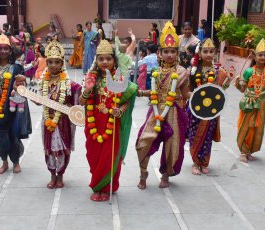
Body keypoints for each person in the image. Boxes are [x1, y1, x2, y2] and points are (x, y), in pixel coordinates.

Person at [80, 40, 137, 202]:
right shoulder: (91, 78)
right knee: (93, 156)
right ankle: (97, 185)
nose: (104, 62)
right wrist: (87, 91)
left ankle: (105, 188)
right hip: (93, 125)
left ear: (114, 60)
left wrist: (121, 110)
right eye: (101, 59)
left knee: (110, 156)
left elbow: (127, 99)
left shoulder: (119, 78)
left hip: (112, 124)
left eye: (108, 59)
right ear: (96, 61)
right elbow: (81, 102)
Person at [135, 21, 190, 189]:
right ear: (160, 53)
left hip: (174, 111)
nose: (170, 55)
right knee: (143, 142)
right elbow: (153, 93)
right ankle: (143, 174)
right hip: (156, 110)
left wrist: (203, 96)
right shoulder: (156, 72)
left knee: (172, 146)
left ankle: (165, 175)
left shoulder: (182, 72)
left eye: (173, 51)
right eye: (166, 51)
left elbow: (186, 94)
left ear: (177, 53)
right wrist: (137, 92)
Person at [33, 40, 82, 188]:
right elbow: (39, 102)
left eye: (57, 62)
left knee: (62, 149)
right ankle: (52, 175)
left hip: (63, 121)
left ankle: (60, 175)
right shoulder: (43, 82)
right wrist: (33, 98)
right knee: (48, 149)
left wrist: (82, 94)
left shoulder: (70, 84)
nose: (53, 65)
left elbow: (77, 106)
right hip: (47, 120)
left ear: (62, 64)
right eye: (50, 62)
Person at [187, 38, 234, 174]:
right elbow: (189, 90)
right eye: (205, 51)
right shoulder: (193, 71)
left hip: (211, 110)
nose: (208, 54)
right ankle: (196, 162)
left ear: (215, 53)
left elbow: (221, 91)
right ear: (199, 53)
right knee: (194, 135)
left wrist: (229, 80)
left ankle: (204, 162)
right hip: (196, 109)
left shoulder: (220, 72)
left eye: (211, 51)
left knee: (207, 136)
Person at [235, 39, 265, 163]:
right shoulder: (249, 71)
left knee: (257, 129)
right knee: (246, 127)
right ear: (254, 56)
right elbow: (242, 89)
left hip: (261, 105)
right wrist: (236, 83)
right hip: (249, 103)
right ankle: (243, 151)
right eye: (260, 54)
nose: (263, 57)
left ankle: (250, 150)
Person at [0, 34, 32, 174]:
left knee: (12, 135)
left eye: (5, 48)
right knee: (0, 136)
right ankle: (4, 162)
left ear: (10, 50)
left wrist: (21, 81)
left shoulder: (17, 67)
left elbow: (23, 86)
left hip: (13, 106)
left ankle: (15, 162)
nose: (2, 51)